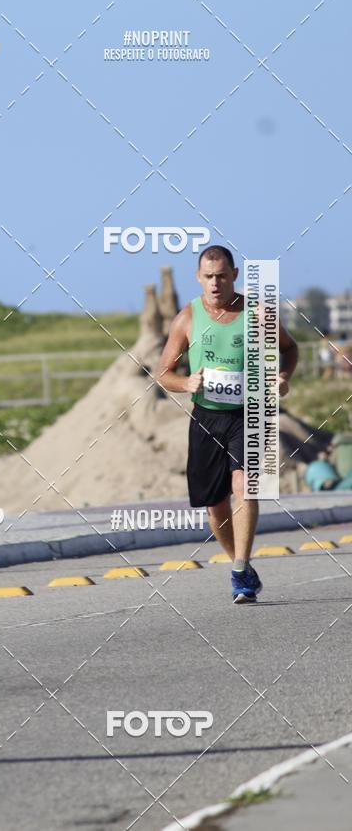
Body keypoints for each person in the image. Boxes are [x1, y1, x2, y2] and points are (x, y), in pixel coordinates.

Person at [156, 246, 299, 603]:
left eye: (222, 275)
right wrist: (186, 384)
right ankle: (242, 563)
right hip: (206, 416)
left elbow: (290, 348)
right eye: (209, 277)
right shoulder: (187, 317)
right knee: (215, 506)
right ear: (198, 278)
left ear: (234, 274)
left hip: (249, 415)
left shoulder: (258, 314)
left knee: (244, 485)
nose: (216, 283)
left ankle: (239, 570)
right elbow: (163, 374)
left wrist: (283, 376)